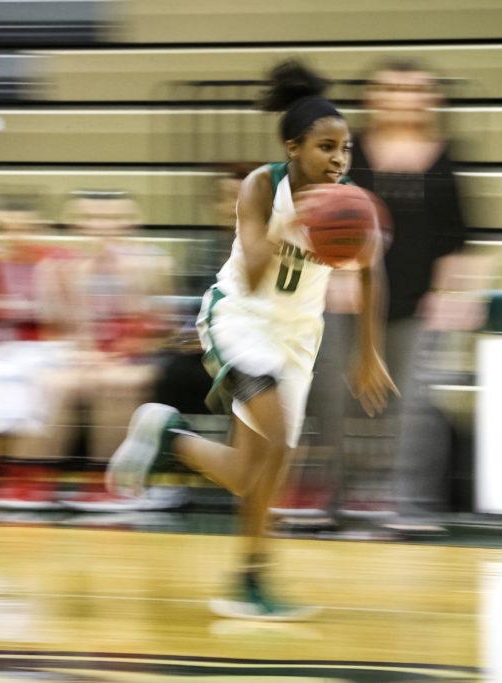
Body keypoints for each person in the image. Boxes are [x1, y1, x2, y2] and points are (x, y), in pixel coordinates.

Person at [106, 60, 396, 620]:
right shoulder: (260, 186)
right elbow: (257, 274)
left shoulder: (351, 201)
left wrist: (368, 353)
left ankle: (245, 575)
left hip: (297, 337)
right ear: (293, 147)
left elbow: (370, 272)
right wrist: (293, 226)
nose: (339, 160)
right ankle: (174, 445)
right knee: (275, 435)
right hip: (239, 317)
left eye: (347, 149)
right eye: (325, 147)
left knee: (256, 472)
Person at [348, 60, 475, 534]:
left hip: (419, 303)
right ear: (373, 97)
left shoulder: (444, 156)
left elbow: (459, 237)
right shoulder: (350, 152)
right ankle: (351, 501)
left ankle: (413, 505)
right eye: (392, 88)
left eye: (414, 89)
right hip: (353, 304)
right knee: (348, 399)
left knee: (415, 403)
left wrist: (449, 293)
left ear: (430, 99)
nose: (403, 96)